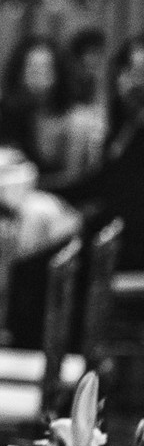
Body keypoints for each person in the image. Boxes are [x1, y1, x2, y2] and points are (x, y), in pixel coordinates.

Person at [63, 34, 144, 270]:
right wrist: (46, 189)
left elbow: (130, 206)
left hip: (126, 247)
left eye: (140, 74)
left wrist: (83, 219)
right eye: (127, 71)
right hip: (109, 235)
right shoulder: (125, 126)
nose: (131, 82)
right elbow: (100, 184)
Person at [0, 35, 102, 190]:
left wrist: (22, 185)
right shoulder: (17, 109)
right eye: (31, 68)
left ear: (59, 72)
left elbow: (73, 179)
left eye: (44, 69)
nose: (36, 76)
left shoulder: (75, 119)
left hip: (60, 196)